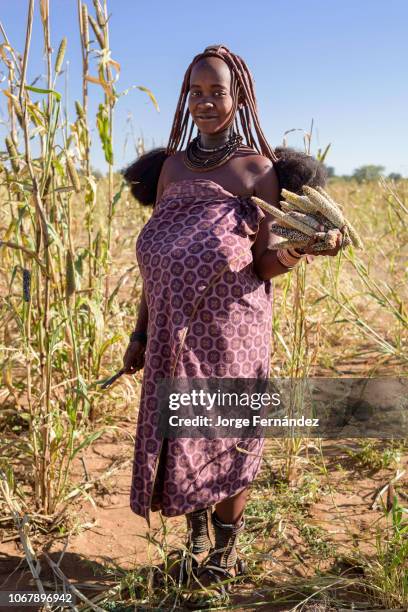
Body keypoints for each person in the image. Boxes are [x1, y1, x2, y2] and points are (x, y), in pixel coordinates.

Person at [123, 44, 343, 607]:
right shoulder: (171, 169)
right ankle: (195, 539)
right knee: (185, 435)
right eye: (195, 92)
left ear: (238, 96)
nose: (205, 102)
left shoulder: (256, 170)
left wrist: (299, 253)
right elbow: (159, 261)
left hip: (233, 332)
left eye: (216, 91)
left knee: (230, 434)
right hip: (174, 333)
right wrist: (141, 333)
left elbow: (265, 260)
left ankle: (224, 551)